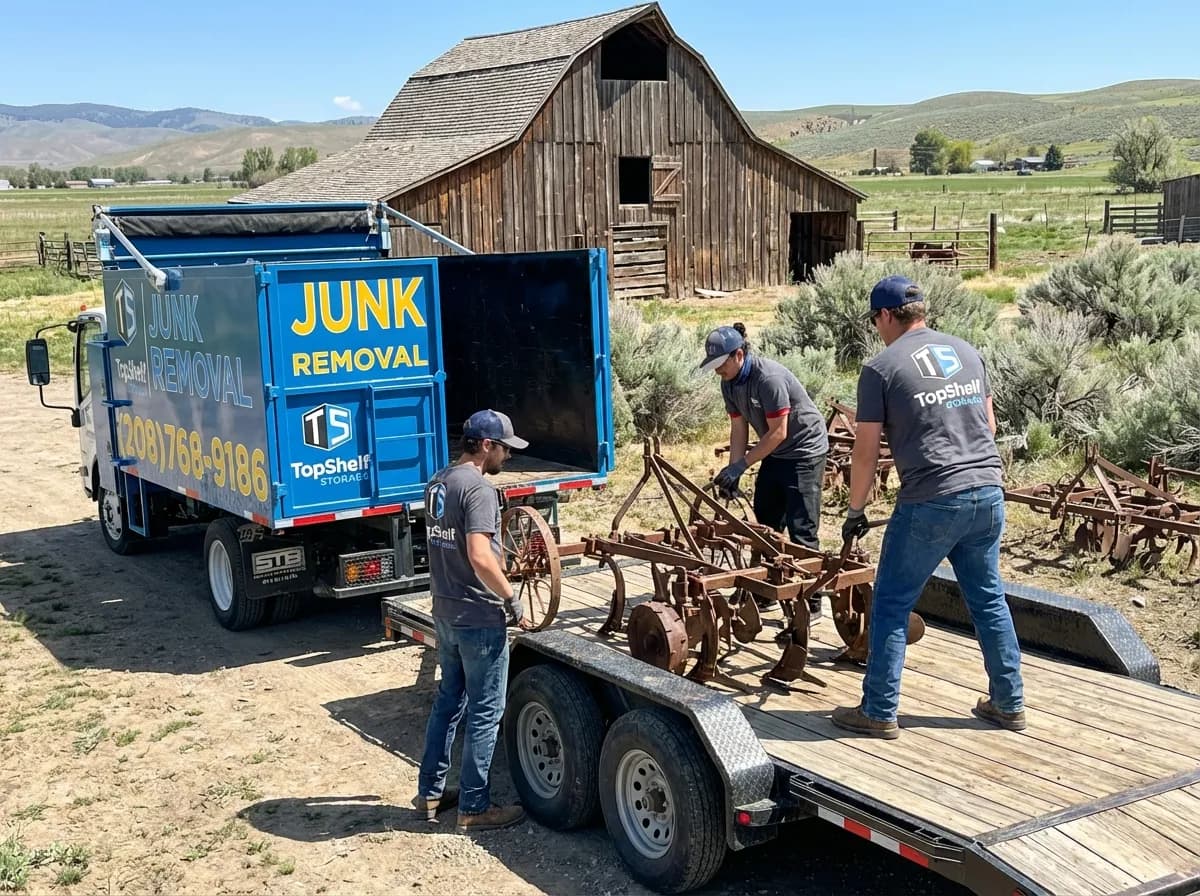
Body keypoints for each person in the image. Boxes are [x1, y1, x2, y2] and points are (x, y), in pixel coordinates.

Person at [831, 275, 1024, 741]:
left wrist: (855, 511)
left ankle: (878, 710)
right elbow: (989, 423)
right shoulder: (967, 352)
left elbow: (865, 450)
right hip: (988, 491)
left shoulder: (880, 369)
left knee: (893, 604)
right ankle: (1008, 702)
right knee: (988, 599)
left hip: (932, 499)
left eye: (875, 321)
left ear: (884, 316)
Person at [414, 409, 529, 831]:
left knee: (448, 702)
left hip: (444, 610)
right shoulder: (478, 490)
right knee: (485, 710)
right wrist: (511, 596)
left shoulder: (437, 483)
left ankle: (430, 793)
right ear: (485, 445)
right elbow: (481, 556)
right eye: (504, 448)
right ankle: (474, 807)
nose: (507, 457)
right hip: (478, 615)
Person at [703, 323, 830, 614]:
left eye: (720, 364)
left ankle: (811, 604)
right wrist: (733, 469)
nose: (716, 371)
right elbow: (738, 427)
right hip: (776, 451)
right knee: (764, 525)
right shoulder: (729, 383)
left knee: (802, 528)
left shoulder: (768, 378)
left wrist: (744, 464)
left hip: (805, 451)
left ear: (738, 355)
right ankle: (766, 592)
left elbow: (778, 432)